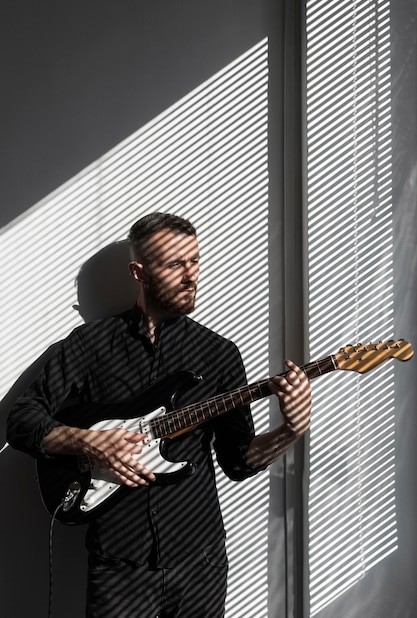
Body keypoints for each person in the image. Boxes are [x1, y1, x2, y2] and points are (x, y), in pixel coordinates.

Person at [6, 212, 311, 618]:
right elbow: (22, 419)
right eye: (175, 265)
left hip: (198, 566)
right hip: (119, 567)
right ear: (140, 271)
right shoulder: (90, 345)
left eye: (196, 261)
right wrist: (88, 442)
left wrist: (291, 429)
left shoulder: (218, 354)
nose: (191, 276)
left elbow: (238, 461)